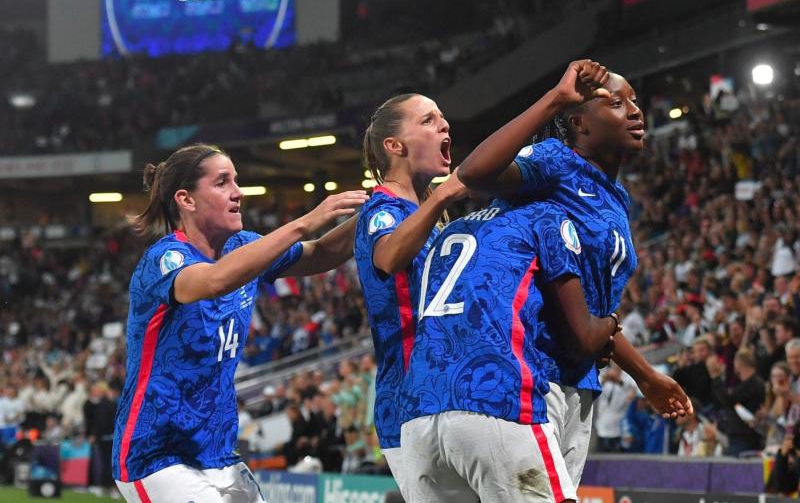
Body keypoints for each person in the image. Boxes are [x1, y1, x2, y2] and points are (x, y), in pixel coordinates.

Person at [457, 59, 691, 486]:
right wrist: (554, 101)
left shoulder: (615, 197)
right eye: (618, 104)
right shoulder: (553, 161)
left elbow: (591, 311)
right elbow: (475, 174)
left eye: (635, 102)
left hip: (578, 380)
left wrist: (646, 376)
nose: (636, 112)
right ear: (580, 122)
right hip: (533, 375)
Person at [112, 143, 367, 503]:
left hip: (218, 453)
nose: (238, 192)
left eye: (236, 180)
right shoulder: (165, 258)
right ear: (186, 199)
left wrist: (383, 205)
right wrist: (303, 223)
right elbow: (214, 281)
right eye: (222, 182)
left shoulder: (243, 247)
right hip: (157, 456)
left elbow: (322, 253)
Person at [400, 199, 620, 502]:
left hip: (420, 408)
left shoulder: (449, 229)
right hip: (492, 395)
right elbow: (581, 337)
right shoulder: (543, 212)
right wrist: (611, 323)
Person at [354, 93, 469, 493]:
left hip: (447, 392)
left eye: (442, 117)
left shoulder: (431, 217)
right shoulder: (382, 210)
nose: (444, 125)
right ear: (395, 146)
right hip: (408, 400)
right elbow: (387, 257)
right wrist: (441, 197)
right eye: (428, 119)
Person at [709, 349, 766, 456]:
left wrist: (716, 377)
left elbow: (728, 400)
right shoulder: (747, 384)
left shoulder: (754, 383)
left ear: (738, 363)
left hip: (744, 438)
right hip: (738, 437)